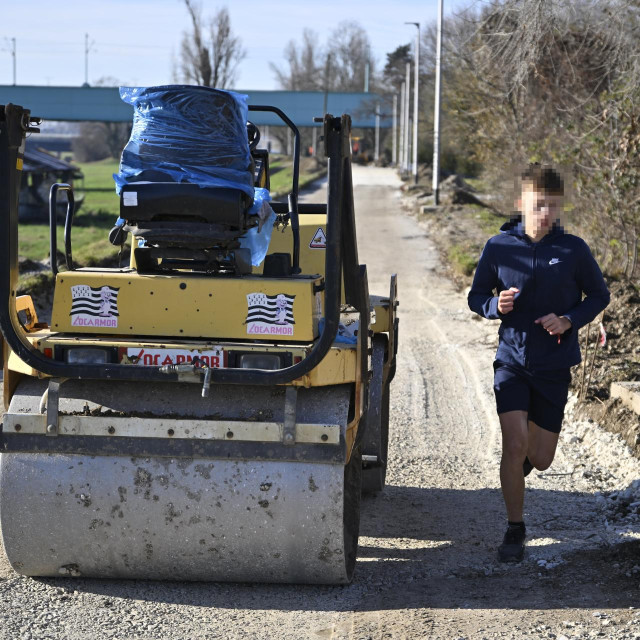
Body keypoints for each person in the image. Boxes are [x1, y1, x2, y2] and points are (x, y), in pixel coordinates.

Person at [467, 164, 610, 563]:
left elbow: (599, 296)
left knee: (541, 458)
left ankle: (523, 465)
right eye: (537, 204)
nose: (544, 213)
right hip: (511, 360)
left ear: (560, 207)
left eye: (552, 205)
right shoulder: (499, 247)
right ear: (522, 203)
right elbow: (476, 295)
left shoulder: (573, 250)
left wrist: (568, 319)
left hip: (553, 366)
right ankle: (515, 529)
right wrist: (495, 305)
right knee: (514, 444)